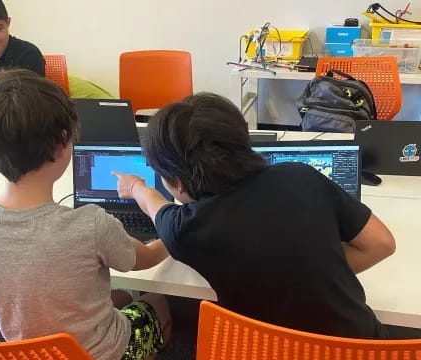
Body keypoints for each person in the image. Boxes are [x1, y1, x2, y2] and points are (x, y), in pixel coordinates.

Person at [113, 92, 397, 339]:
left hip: (262, 347)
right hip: (358, 346)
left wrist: (136, 186)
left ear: (178, 182)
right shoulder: (301, 176)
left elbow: (156, 207)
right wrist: (313, 271)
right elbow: (382, 244)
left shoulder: (184, 228)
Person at [0, 69, 171, 360]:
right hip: (102, 354)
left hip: (28, 352)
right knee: (156, 301)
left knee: (116, 297)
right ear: (62, 144)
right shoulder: (90, 224)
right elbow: (146, 259)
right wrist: (172, 226)